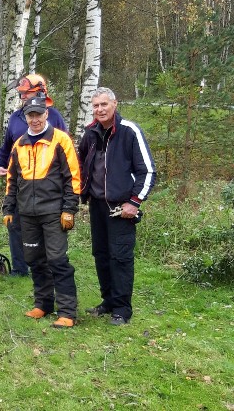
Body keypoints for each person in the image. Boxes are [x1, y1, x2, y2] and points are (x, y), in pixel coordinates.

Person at [78, 87, 156, 326]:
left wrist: (134, 202)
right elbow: (80, 166)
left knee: (120, 257)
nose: (99, 109)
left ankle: (122, 309)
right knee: (101, 255)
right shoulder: (90, 133)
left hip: (122, 208)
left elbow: (148, 171)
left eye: (104, 104)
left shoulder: (129, 131)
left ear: (115, 104)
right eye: (95, 105)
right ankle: (108, 301)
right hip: (97, 206)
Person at [2, 96, 81, 328]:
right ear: (25, 117)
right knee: (34, 259)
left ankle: (67, 311)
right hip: (27, 213)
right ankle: (43, 303)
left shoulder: (60, 140)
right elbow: (11, 180)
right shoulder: (20, 144)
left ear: (47, 115)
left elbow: (73, 177)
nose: (35, 119)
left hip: (53, 212)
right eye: (30, 115)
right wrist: (8, 208)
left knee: (57, 260)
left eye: (39, 114)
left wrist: (69, 209)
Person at [0, 74, 68, 277]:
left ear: (40, 92)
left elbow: (66, 152)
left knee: (46, 227)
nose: (23, 98)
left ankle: (48, 265)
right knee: (15, 224)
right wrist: (0, 165)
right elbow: (7, 146)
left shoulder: (54, 117)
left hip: (48, 185)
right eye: (22, 94)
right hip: (20, 182)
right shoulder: (16, 117)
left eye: (26, 94)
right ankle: (20, 268)